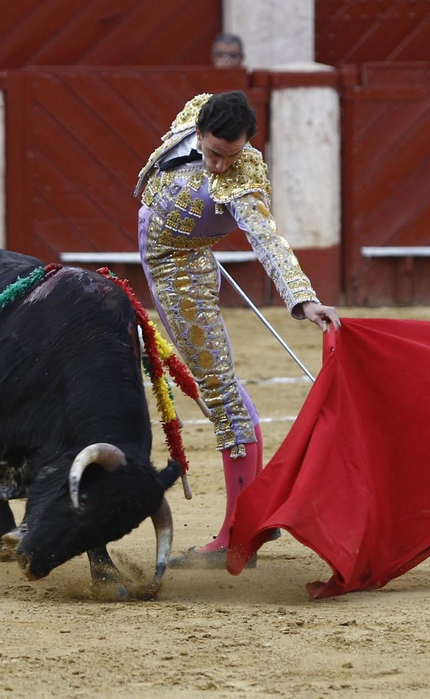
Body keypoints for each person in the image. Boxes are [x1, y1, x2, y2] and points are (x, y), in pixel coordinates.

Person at [135, 91, 341, 569]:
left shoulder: (244, 181)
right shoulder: (195, 109)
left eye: (232, 156)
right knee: (223, 393)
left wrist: (302, 298)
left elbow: (268, 240)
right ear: (200, 130)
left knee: (222, 396)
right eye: (212, 154)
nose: (222, 167)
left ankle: (237, 534)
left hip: (180, 274)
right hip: (175, 254)